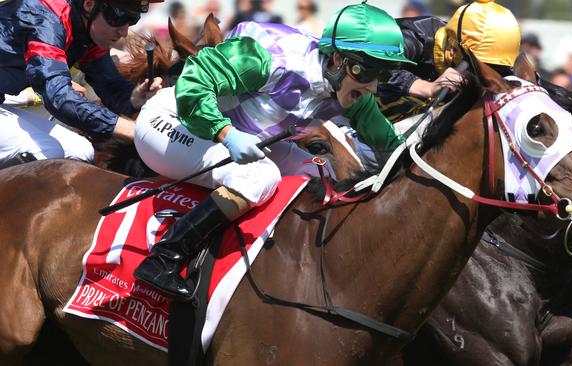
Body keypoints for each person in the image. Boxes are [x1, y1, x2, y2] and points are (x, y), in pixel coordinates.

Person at [133, 2, 415, 300]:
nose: (372, 86)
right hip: (172, 123)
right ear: (338, 60)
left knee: (323, 170)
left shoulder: (352, 91)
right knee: (260, 175)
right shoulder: (268, 57)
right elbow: (193, 82)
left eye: (382, 75)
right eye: (367, 71)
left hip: (236, 135)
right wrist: (225, 133)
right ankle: (165, 256)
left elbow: (390, 145)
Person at [0, 0, 163, 168]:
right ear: (89, 4)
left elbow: (110, 85)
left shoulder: (85, 31)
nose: (124, 32)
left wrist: (134, 97)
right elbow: (58, 97)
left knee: (81, 151)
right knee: (48, 151)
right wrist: (132, 130)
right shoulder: (45, 19)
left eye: (132, 20)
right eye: (120, 18)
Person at [377, 0, 521, 121]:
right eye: (479, 67)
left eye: (496, 68)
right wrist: (427, 88)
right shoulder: (417, 37)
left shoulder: (497, 63)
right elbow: (372, 61)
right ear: (452, 50)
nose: (486, 74)